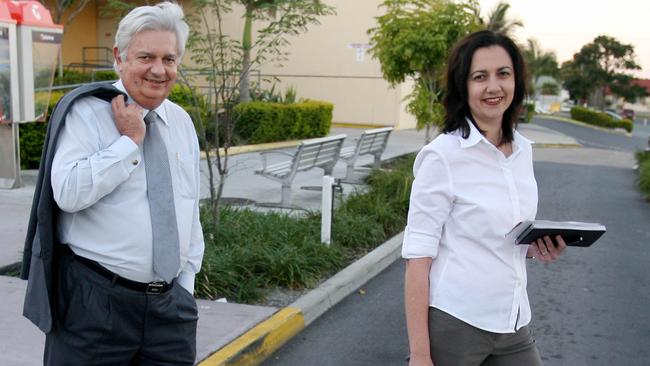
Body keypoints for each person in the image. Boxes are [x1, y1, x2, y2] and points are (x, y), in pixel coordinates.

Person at [21, 2, 204, 365]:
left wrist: (185, 289)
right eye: (146, 57)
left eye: (169, 59)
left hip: (170, 312)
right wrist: (128, 143)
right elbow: (69, 193)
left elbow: (188, 205)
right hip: (95, 306)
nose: (158, 69)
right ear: (119, 58)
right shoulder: (85, 112)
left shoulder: (180, 122)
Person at [402, 30, 567, 366]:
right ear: (464, 86)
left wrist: (535, 248)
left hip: (513, 321)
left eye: (503, 74)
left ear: (516, 82)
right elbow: (418, 260)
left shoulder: (522, 150)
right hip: (456, 323)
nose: (494, 87)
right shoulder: (442, 156)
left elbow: (503, 235)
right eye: (480, 77)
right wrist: (420, 355)